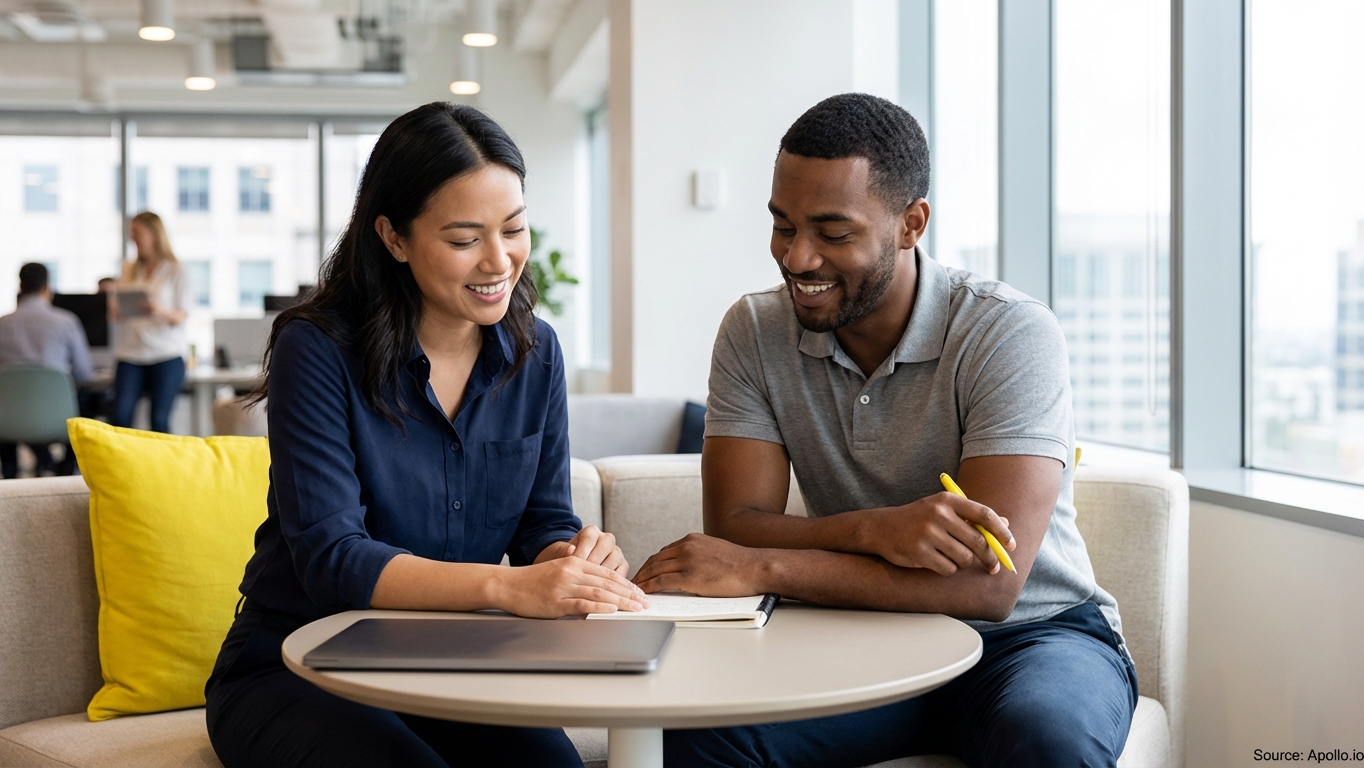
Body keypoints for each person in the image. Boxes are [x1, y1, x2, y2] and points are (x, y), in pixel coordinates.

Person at [634, 94, 1136, 768]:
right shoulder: (754, 331)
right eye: (783, 225)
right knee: (699, 742)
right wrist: (876, 529)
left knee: (1051, 742)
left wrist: (763, 566)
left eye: (832, 232)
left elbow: (989, 586)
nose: (798, 258)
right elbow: (735, 523)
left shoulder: (1007, 331)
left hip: (1032, 638)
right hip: (858, 635)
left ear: (911, 224)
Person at [205, 102, 648, 768]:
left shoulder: (536, 351)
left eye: (515, 228)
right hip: (297, 664)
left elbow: (542, 520)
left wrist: (569, 559)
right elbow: (332, 558)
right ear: (394, 238)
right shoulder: (318, 349)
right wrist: (508, 591)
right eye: (465, 238)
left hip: (451, 665)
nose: (499, 260)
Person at [0, 262, 92, 477]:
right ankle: (61, 469)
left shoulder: (1, 324)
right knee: (88, 404)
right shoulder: (66, 322)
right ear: (47, 287)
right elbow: (84, 374)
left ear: (20, 287)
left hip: (6, 423)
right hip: (57, 421)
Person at [110, 211, 192, 433]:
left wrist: (158, 309)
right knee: (121, 416)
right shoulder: (128, 268)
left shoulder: (177, 270)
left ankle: (160, 468)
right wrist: (117, 305)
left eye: (138, 233)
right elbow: (115, 313)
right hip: (131, 353)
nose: (133, 238)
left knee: (158, 420)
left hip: (165, 354)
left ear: (154, 234)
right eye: (131, 233)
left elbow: (181, 316)